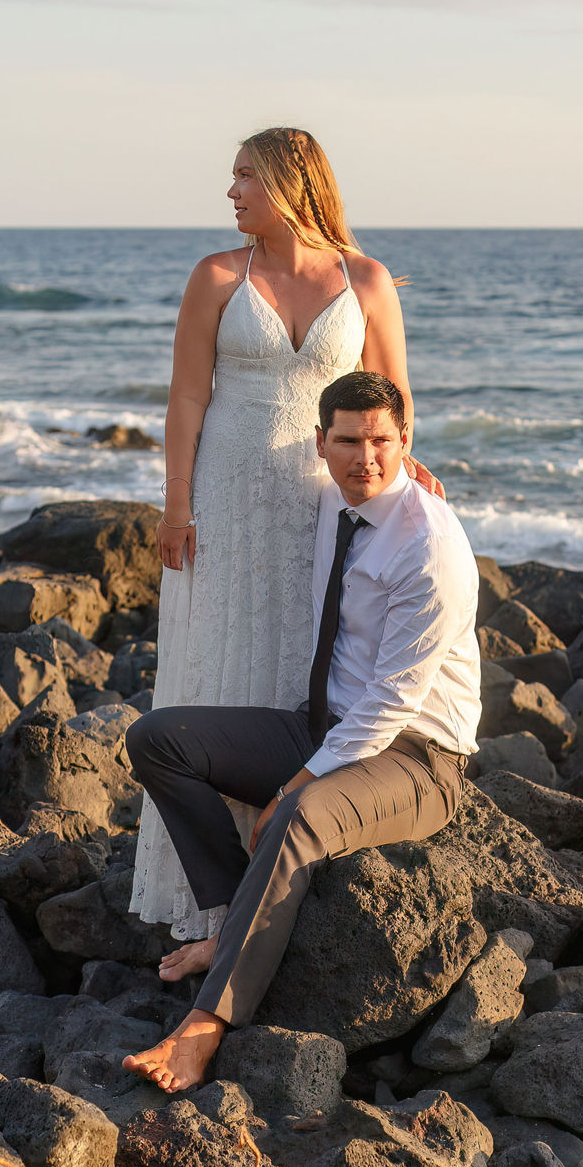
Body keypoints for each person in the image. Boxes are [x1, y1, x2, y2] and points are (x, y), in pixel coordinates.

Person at [120, 370, 481, 1093]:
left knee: (297, 813)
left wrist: (300, 778)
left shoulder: (430, 545)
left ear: (407, 442)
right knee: (158, 739)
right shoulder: (331, 501)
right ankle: (229, 930)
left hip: (418, 756)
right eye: (348, 440)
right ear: (321, 444)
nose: (365, 458)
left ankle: (205, 1025)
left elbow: (393, 700)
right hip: (326, 726)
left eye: (382, 441)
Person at [128, 126, 432, 952]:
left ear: (291, 184)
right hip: (226, 502)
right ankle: (214, 893)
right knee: (219, 652)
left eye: (244, 178)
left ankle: (297, 853)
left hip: (317, 497)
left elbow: (393, 403)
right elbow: (187, 400)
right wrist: (176, 503)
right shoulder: (218, 278)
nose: (230, 194)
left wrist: (411, 475)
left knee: (312, 652)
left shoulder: (364, 280)